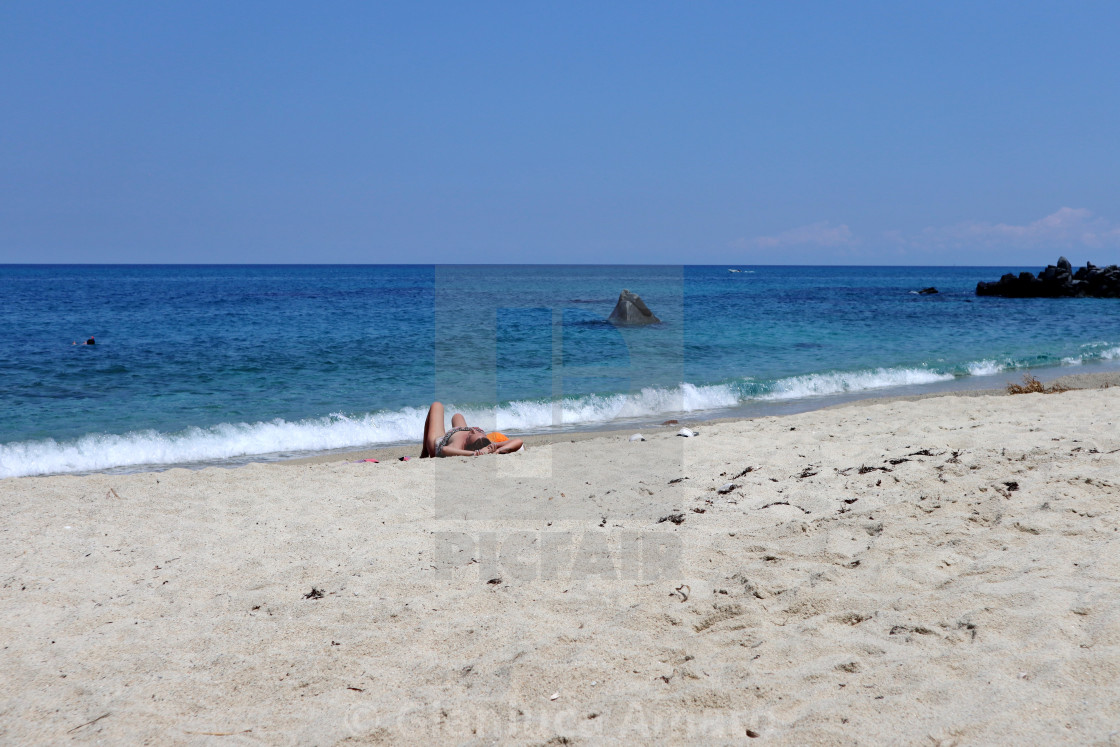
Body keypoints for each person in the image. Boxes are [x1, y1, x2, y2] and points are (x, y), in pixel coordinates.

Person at [419, 401, 523, 458]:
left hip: (440, 442)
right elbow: (519, 442)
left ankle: (424, 452)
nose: (475, 430)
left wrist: (474, 454)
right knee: (457, 415)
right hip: (460, 431)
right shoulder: (487, 445)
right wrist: (498, 450)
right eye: (479, 432)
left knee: (437, 405)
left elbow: (444, 449)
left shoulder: (458, 445)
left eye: (475, 432)